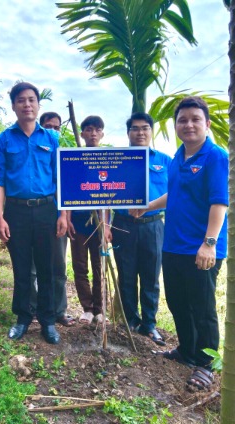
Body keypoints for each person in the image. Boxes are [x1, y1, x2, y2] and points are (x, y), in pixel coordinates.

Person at [132, 96, 228, 390]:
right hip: (173, 245)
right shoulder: (177, 158)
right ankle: (186, 351)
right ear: (176, 126)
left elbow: (219, 203)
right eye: (183, 120)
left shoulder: (215, 157)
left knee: (202, 307)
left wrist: (209, 243)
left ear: (207, 124)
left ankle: (206, 364)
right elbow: (173, 194)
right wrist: (148, 206)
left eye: (195, 119)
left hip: (201, 249)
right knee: (177, 303)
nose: (188, 125)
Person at [0, 82, 67, 344]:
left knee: (47, 267)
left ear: (38, 105)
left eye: (32, 100)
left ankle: (48, 321)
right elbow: (0, 182)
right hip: (16, 212)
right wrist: (0, 217)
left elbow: (61, 180)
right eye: (21, 100)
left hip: (47, 209)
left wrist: (63, 215)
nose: (27, 104)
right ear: (13, 105)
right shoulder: (3, 140)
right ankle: (23, 318)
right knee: (22, 267)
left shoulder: (52, 139)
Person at [110, 113, 171, 345]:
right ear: (128, 133)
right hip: (122, 225)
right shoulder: (116, 160)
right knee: (126, 275)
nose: (140, 132)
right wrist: (106, 225)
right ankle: (131, 322)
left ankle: (149, 324)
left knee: (151, 276)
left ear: (151, 131)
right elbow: (102, 194)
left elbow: (176, 191)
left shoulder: (164, 161)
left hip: (153, 226)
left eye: (145, 128)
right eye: (135, 129)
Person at [29, 111, 75, 327]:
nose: (53, 130)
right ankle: (34, 309)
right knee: (31, 269)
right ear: (41, 126)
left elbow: (65, 187)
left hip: (57, 218)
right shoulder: (36, 147)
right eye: (48, 126)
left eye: (57, 127)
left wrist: (64, 216)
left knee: (58, 266)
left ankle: (59, 310)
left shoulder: (62, 153)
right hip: (34, 216)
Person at [67, 115, 111, 325]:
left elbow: (112, 196)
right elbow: (66, 193)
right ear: (82, 133)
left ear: (102, 133)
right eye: (89, 130)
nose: (93, 133)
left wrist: (107, 226)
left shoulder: (108, 159)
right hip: (78, 221)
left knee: (98, 266)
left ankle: (100, 308)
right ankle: (87, 308)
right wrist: (66, 219)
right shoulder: (74, 159)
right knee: (80, 266)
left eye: (97, 130)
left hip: (99, 224)